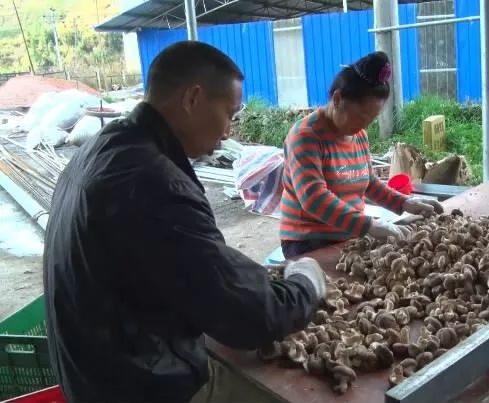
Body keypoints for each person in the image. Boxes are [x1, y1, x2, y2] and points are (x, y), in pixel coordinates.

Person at [43, 41, 326, 403]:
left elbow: (189, 261)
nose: (227, 132)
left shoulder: (105, 147)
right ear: (193, 98)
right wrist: (305, 284)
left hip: (93, 372)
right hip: (135, 385)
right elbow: (248, 318)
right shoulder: (151, 181)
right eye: (229, 113)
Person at [280, 51, 443, 258]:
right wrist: (369, 226)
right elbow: (314, 198)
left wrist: (405, 203)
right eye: (359, 116)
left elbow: (369, 183)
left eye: (371, 119)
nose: (363, 126)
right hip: (308, 239)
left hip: (351, 232)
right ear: (337, 99)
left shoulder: (358, 135)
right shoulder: (305, 136)